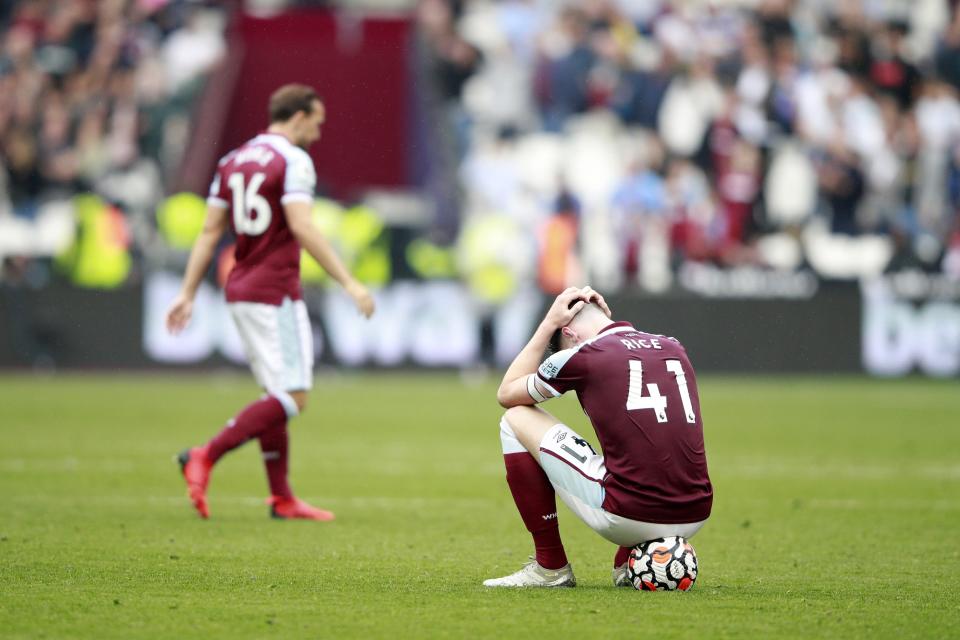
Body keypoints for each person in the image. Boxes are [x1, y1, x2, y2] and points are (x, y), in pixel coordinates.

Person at [165, 84, 375, 521]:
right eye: (316, 123)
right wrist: (349, 283)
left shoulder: (231, 160)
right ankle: (205, 454)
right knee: (293, 396)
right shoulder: (293, 160)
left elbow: (208, 232)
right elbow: (302, 226)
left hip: (239, 286)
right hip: (274, 291)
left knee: (274, 395)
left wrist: (187, 292)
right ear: (297, 117)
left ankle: (281, 497)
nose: (317, 134)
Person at [484, 286, 712, 587]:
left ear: (570, 334)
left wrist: (546, 325)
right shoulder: (673, 346)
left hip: (628, 515)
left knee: (515, 419)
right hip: (696, 513)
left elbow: (507, 392)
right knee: (642, 447)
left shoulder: (583, 354)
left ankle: (550, 567)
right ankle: (626, 563)